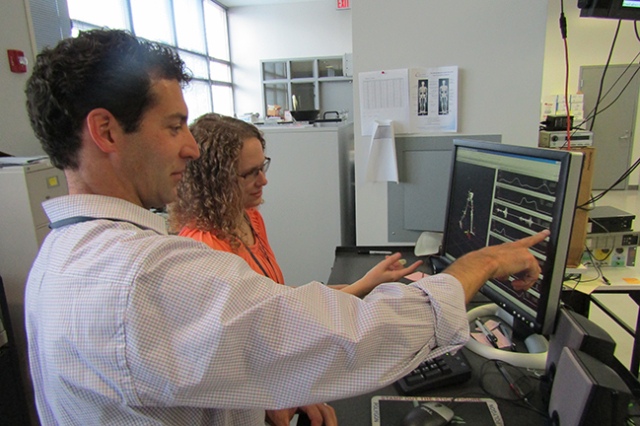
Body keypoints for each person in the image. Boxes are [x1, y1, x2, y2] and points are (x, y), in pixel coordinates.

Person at [24, 28, 547, 426]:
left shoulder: (56, 258)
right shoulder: (143, 274)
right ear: (106, 130)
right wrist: (482, 262)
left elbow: (247, 341)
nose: (190, 146)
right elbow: (352, 339)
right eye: (174, 126)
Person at [169, 113, 414, 294]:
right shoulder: (203, 249)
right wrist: (363, 286)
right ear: (216, 181)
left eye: (262, 167)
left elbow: (279, 295)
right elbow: (274, 317)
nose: (263, 180)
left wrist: (362, 284)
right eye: (251, 173)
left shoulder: (249, 216)